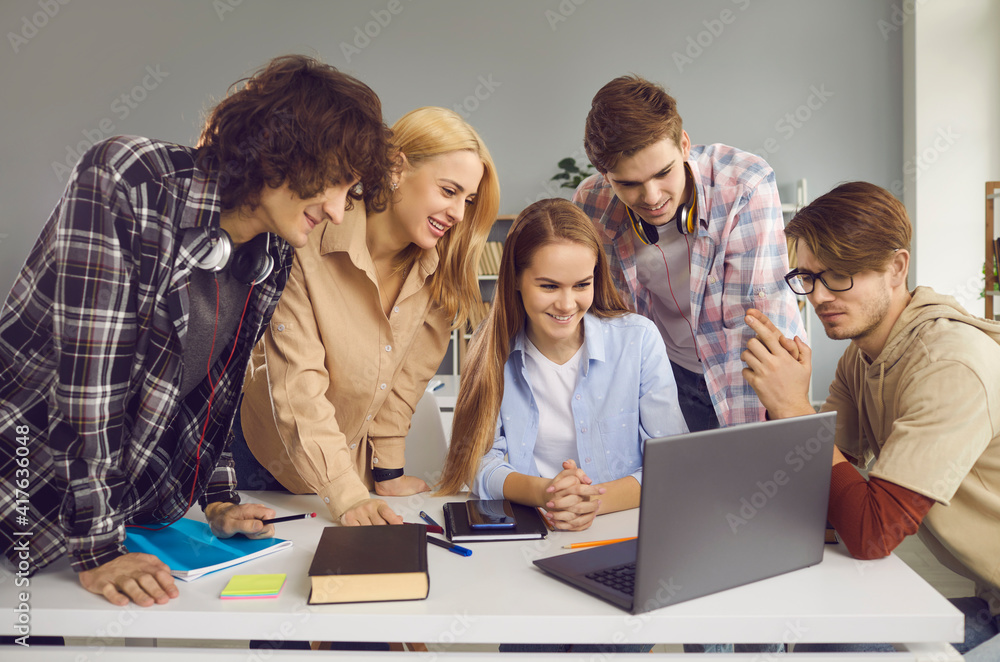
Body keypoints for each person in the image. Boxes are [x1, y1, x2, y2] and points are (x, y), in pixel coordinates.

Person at [0, 54, 394, 608]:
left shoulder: (275, 250)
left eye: (348, 191)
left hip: (105, 510)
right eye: (332, 182)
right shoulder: (129, 178)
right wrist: (97, 548)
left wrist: (216, 500)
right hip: (22, 483)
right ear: (280, 148)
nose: (335, 210)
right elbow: (91, 384)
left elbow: (216, 389)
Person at [741, 181, 1000, 657]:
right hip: (991, 595)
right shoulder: (862, 357)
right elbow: (812, 489)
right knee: (822, 637)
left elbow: (870, 533)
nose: (818, 297)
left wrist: (794, 409)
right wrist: (780, 406)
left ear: (896, 267)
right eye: (807, 277)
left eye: (839, 274)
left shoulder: (949, 365)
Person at [238, 106, 500, 526]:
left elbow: (403, 384)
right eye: (449, 191)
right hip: (265, 468)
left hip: (348, 476)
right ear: (396, 167)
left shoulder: (438, 273)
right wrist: (346, 494)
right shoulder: (305, 241)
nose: (458, 214)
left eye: (468, 201)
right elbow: (296, 386)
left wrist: (387, 474)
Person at [437, 198, 687, 532]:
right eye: (549, 286)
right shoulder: (489, 344)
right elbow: (477, 462)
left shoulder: (638, 340)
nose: (567, 304)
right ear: (515, 279)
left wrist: (592, 501)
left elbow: (671, 463)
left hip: (623, 529)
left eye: (582, 284)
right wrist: (547, 493)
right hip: (525, 531)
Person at [574, 75, 806, 432]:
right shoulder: (591, 202)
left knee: (747, 479)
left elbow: (754, 320)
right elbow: (610, 319)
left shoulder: (745, 184)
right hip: (667, 372)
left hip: (749, 367)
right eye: (628, 184)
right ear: (605, 176)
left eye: (663, 172)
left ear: (683, 145)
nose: (651, 197)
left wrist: (756, 434)